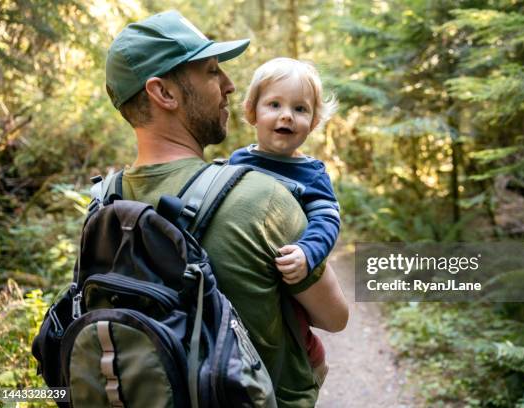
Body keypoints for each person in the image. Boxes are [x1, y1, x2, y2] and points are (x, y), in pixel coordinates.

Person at [104, 10, 348, 408]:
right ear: (164, 93)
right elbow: (335, 317)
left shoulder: (109, 203)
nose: (230, 86)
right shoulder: (260, 198)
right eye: (213, 71)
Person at [229, 57, 340, 385]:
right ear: (252, 112)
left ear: (314, 121)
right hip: (246, 274)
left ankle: (311, 367)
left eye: (300, 109)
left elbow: (327, 217)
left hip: (290, 274)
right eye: (274, 104)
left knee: (292, 330)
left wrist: (308, 252)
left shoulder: (311, 173)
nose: (286, 115)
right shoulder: (238, 161)